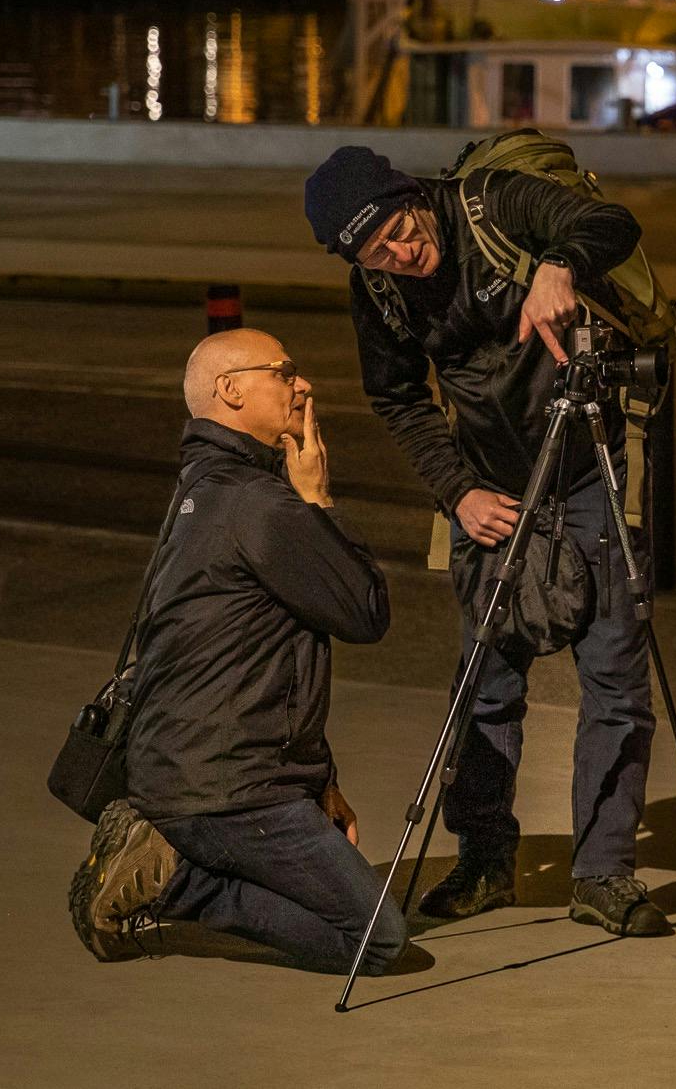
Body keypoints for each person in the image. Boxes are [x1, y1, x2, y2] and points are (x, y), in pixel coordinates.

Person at [304, 144, 672, 938]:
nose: (402, 252)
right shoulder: (379, 289)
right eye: (377, 252)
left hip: (590, 459)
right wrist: (459, 491)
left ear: (412, 195)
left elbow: (613, 222)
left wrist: (560, 264)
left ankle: (603, 872)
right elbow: (396, 398)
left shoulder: (492, 205)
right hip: (486, 485)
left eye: (401, 227)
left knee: (614, 676)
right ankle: (483, 860)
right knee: (485, 677)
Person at [68, 327, 405, 974]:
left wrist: (319, 780)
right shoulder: (259, 503)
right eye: (284, 371)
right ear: (231, 390)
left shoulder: (201, 490)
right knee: (377, 938)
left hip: (188, 771)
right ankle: (178, 884)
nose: (302, 384)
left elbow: (257, 660)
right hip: (228, 789)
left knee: (341, 906)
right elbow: (365, 611)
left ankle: (175, 849)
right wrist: (318, 496)